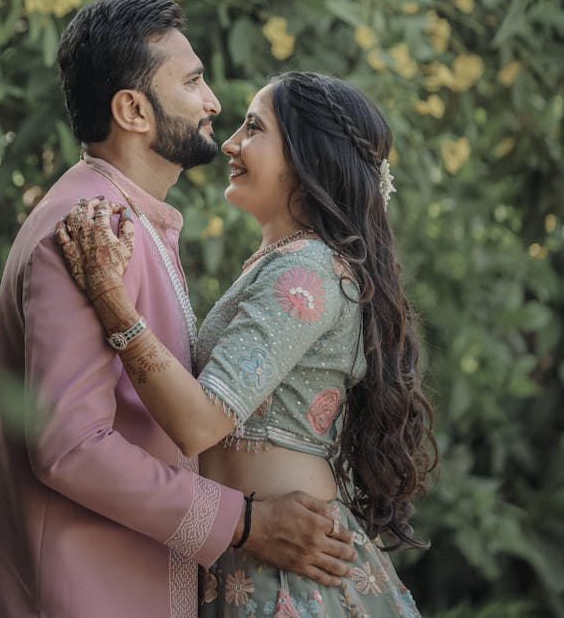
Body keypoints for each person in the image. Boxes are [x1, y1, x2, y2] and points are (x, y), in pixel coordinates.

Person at [0, 0, 356, 618]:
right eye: (193, 81)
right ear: (133, 109)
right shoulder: (89, 226)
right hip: (72, 592)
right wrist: (242, 523)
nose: (214, 103)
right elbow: (71, 448)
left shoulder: (130, 222)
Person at [58, 69, 438, 618]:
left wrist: (111, 300)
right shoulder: (287, 262)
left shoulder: (306, 270)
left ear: (307, 159)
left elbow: (199, 423)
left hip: (288, 577)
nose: (230, 143)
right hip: (255, 562)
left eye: (253, 128)